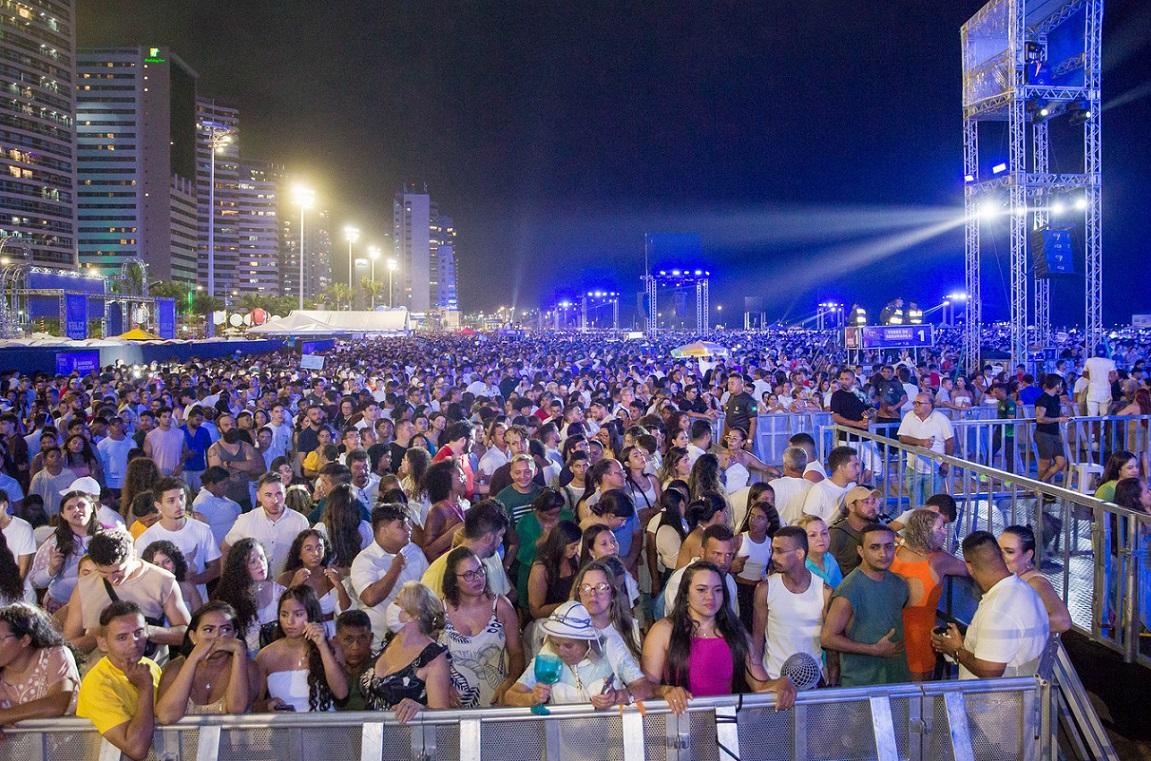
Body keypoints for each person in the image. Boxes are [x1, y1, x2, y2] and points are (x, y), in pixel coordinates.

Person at [643, 562, 796, 711]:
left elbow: (760, 685)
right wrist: (666, 691)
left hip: (725, 724)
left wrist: (783, 683)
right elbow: (646, 687)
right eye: (702, 590)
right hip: (678, 723)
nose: (710, 597)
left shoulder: (737, 632)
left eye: (717, 590)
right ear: (686, 594)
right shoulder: (663, 631)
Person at [932, 531, 1050, 679]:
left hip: (997, 701)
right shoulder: (1024, 590)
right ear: (1000, 557)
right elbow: (1003, 647)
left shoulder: (997, 610)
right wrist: (962, 642)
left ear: (969, 567)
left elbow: (990, 670)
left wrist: (955, 650)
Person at [65, 528, 192, 660]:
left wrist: (146, 632)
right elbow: (69, 647)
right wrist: (102, 636)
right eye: (103, 573)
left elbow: (187, 633)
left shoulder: (163, 580)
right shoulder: (84, 587)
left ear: (133, 554)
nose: (112, 579)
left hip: (151, 672)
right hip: (102, 675)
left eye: (118, 571)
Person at [821, 523, 910, 686]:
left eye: (889, 547)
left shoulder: (899, 583)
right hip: (862, 683)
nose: (883, 554)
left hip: (897, 680)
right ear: (861, 551)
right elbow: (828, 638)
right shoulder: (849, 589)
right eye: (875, 547)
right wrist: (874, 650)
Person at [505, 601, 633, 710]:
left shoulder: (610, 648)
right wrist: (532, 698)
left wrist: (618, 696)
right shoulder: (548, 656)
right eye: (556, 644)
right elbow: (510, 696)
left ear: (587, 641)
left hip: (611, 737)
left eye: (569, 646)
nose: (560, 651)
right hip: (561, 738)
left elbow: (645, 688)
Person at [75, 601, 161, 761]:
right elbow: (136, 749)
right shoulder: (98, 683)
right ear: (103, 643)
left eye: (139, 632)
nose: (134, 642)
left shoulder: (150, 667)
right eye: (122, 637)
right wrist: (145, 688)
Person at [889, 510, 969, 680]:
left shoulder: (895, 553)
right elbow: (971, 570)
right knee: (920, 695)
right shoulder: (938, 560)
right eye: (940, 528)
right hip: (921, 638)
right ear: (926, 533)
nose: (945, 532)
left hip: (893, 632)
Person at [441, 546, 523, 707]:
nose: (478, 578)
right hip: (453, 704)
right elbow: (430, 658)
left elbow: (517, 652)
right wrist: (442, 685)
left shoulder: (501, 606)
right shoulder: (439, 609)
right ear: (454, 580)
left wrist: (511, 680)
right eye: (468, 575)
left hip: (496, 699)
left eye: (480, 571)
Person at [361, 581, 452, 722]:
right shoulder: (389, 640)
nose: (391, 607)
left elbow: (441, 714)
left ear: (415, 614)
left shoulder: (434, 658)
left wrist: (421, 709)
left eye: (397, 603)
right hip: (371, 733)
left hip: (407, 739)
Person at [751, 526, 832, 680]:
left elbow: (831, 645)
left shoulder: (824, 592)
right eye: (772, 551)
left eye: (780, 551)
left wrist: (832, 681)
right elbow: (757, 638)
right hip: (773, 680)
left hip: (812, 682)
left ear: (800, 553)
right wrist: (759, 681)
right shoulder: (765, 589)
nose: (774, 557)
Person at [155, 601, 260, 720]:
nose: (217, 636)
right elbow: (166, 716)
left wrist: (240, 652)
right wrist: (193, 658)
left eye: (225, 629)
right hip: (186, 739)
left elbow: (237, 709)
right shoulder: (175, 668)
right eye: (208, 630)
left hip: (231, 739)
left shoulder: (248, 667)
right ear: (193, 636)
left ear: (235, 635)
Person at [571, 560, 653, 702]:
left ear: (613, 593)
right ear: (578, 593)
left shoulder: (630, 629)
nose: (593, 594)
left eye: (601, 587)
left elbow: (647, 686)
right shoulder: (565, 633)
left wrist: (619, 696)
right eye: (585, 588)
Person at [256, 585, 349, 711]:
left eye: (298, 614)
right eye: (284, 614)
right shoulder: (265, 655)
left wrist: (322, 646)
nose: (290, 621)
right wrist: (267, 706)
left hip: (324, 727)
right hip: (283, 727)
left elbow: (341, 693)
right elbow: (253, 706)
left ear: (311, 615)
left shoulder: (332, 648)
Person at [349, 504, 430, 646]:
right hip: (379, 640)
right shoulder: (365, 561)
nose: (409, 529)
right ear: (383, 531)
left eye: (407, 524)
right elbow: (370, 598)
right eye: (401, 526)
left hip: (414, 637)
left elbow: (428, 587)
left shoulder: (414, 551)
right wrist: (395, 567)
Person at [134, 476, 221, 601]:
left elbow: (216, 568)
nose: (179, 505)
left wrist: (192, 580)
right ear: (158, 505)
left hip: (199, 607)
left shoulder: (202, 529)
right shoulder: (145, 540)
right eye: (171, 501)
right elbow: (141, 579)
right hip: (163, 611)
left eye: (181, 498)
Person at [0, 602, 81, 727]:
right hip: (16, 747)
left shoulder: (54, 655)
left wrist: (4, 716)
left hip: (67, 744)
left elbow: (56, 705)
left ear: (25, 640)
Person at [222, 472, 310, 578]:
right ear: (258, 496)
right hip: (253, 589)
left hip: (289, 586)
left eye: (279, 494)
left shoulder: (299, 521)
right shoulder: (246, 520)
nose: (275, 500)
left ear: (285, 494)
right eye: (268, 495)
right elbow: (226, 548)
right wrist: (227, 580)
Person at [210, 538, 285, 654]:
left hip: (277, 653)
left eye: (262, 557)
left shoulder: (280, 592)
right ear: (240, 567)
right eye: (253, 561)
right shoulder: (226, 598)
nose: (261, 564)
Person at [422, 498, 510, 598]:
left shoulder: (494, 557)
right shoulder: (438, 570)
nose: (501, 540)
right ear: (488, 538)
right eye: (500, 535)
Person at [29, 489, 99, 612]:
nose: (77, 510)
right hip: (61, 605)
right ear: (62, 514)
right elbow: (36, 581)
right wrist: (51, 569)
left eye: (81, 505)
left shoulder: (105, 538)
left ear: (92, 507)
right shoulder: (54, 542)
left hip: (96, 604)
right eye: (70, 508)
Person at [276, 530, 352, 636]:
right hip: (297, 635)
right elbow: (279, 612)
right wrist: (294, 584)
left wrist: (339, 586)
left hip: (329, 634)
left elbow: (346, 612)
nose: (315, 553)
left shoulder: (333, 575)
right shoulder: (286, 578)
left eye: (319, 548)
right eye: (309, 549)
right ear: (299, 554)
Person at [998, 526, 1072, 634]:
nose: (1000, 556)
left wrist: (1010, 626)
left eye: (1009, 552)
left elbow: (1062, 621)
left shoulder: (1036, 583)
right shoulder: (1008, 575)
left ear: (1028, 555)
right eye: (998, 550)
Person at [663, 525, 740, 617]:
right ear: (702, 552)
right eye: (717, 554)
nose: (723, 561)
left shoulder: (729, 581)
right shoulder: (680, 580)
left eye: (728, 555)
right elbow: (678, 622)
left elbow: (733, 620)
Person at [897, 393, 955, 507]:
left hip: (934, 470)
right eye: (915, 402)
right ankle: (917, 524)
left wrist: (946, 463)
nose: (915, 406)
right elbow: (902, 437)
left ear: (930, 405)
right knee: (914, 503)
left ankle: (930, 524)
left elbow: (950, 442)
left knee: (932, 504)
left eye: (919, 403)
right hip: (913, 468)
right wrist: (920, 442)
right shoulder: (909, 416)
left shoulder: (941, 419)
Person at [733, 497, 776, 630]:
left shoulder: (771, 543)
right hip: (739, 589)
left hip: (758, 591)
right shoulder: (740, 539)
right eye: (752, 516)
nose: (754, 520)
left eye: (760, 518)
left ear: (768, 524)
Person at [527, 519, 582, 619]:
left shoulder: (575, 560)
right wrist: (569, 604)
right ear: (560, 545)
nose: (576, 551)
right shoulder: (541, 569)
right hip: (549, 619)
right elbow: (536, 611)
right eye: (573, 547)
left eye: (578, 546)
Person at [141, 540, 204, 617]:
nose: (162, 568)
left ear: (175, 562)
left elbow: (200, 619)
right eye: (156, 564)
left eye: (167, 562)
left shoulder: (188, 587)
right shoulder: (143, 592)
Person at [828, 486, 881, 576]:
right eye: (866, 502)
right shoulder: (836, 534)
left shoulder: (878, 528)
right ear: (852, 507)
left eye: (873, 501)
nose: (872, 506)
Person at [801, 445, 859, 523]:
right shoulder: (820, 490)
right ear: (841, 467)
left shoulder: (853, 486)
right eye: (855, 465)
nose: (859, 470)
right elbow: (808, 521)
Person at [332, 609, 375, 711]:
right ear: (336, 640)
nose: (355, 647)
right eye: (348, 639)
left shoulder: (382, 672)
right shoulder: (328, 673)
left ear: (371, 639)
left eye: (362, 638)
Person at [191, 466, 242, 548]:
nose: (227, 487)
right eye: (223, 484)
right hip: (219, 550)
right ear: (211, 484)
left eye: (227, 484)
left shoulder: (220, 497)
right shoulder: (202, 503)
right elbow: (200, 533)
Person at [1034, 375, 1070, 486]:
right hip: (1044, 434)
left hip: (1054, 433)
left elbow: (1053, 413)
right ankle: (1041, 486)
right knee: (1045, 461)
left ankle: (1042, 482)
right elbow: (1040, 418)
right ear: (1057, 385)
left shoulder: (1055, 398)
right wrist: (1058, 419)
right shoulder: (1043, 399)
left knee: (1061, 462)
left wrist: (1061, 416)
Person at [770, 447, 813, 526]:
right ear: (805, 466)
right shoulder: (813, 488)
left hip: (778, 534)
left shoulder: (772, 486)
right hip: (802, 534)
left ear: (785, 465)